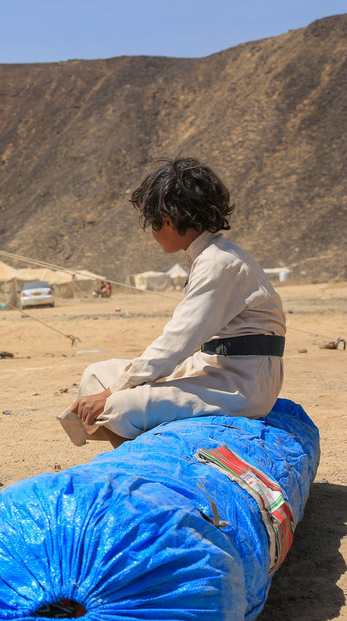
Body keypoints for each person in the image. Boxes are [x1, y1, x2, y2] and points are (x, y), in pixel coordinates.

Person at [58, 157, 285, 448]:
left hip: (241, 382)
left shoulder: (219, 263)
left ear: (168, 218)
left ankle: (141, 473)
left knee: (118, 405)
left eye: (152, 223)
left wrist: (113, 392)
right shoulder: (208, 257)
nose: (152, 234)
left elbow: (175, 343)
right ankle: (134, 458)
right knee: (96, 375)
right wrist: (113, 386)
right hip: (214, 366)